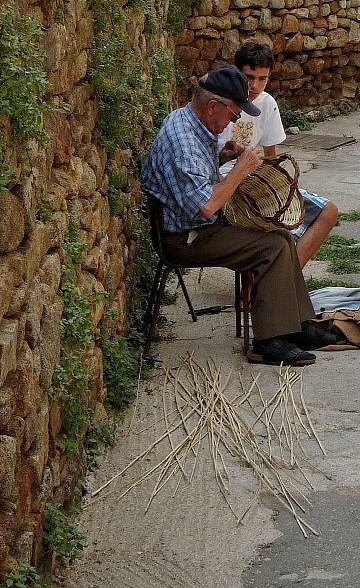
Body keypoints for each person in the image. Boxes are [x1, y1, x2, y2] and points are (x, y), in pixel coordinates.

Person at [140, 65, 340, 366]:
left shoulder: (189, 120)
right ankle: (267, 342)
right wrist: (240, 169)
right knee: (270, 248)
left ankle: (296, 325)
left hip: (197, 226)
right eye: (233, 115)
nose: (233, 121)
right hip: (185, 238)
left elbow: (195, 180)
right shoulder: (183, 143)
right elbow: (207, 205)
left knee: (281, 237)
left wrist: (222, 156)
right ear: (212, 107)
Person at [218, 42, 339, 266]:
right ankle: (267, 280)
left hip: (256, 181)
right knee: (269, 227)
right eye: (249, 77)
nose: (254, 86)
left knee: (328, 211)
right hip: (227, 188)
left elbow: (271, 159)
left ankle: (287, 277)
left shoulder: (267, 104)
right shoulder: (220, 103)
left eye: (262, 79)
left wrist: (279, 187)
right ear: (237, 74)